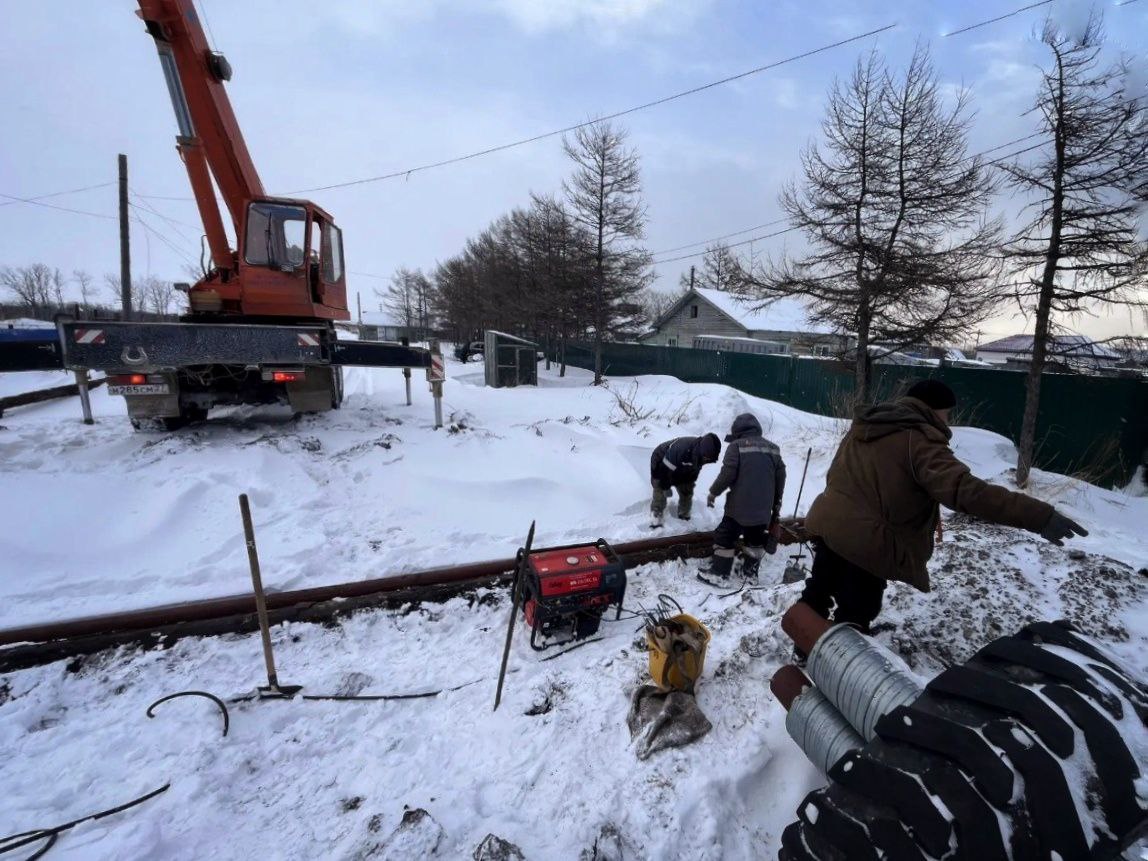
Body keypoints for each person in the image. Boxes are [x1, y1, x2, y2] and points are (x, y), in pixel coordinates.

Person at [800, 378, 1088, 638]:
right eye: (947, 414)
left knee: (819, 590)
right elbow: (967, 492)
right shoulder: (919, 440)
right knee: (856, 611)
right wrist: (1039, 515)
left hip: (829, 523)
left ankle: (801, 649)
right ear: (934, 410)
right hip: (868, 542)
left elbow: (836, 474)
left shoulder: (867, 426)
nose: (948, 422)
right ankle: (836, 674)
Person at [703, 413, 786, 582]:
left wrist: (713, 492)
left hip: (738, 509)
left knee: (724, 536)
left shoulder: (736, 446)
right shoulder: (773, 449)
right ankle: (749, 575)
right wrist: (775, 506)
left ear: (738, 432)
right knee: (754, 540)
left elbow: (727, 474)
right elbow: (780, 479)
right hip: (763, 511)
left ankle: (719, 574)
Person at [649, 433, 722, 527]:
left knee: (687, 490)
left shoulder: (702, 455)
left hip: (680, 465)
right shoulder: (681, 449)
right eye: (706, 457)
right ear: (703, 452)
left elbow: (693, 470)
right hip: (661, 458)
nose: (707, 460)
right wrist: (665, 486)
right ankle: (656, 517)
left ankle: (684, 517)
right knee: (660, 488)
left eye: (709, 458)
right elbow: (664, 470)